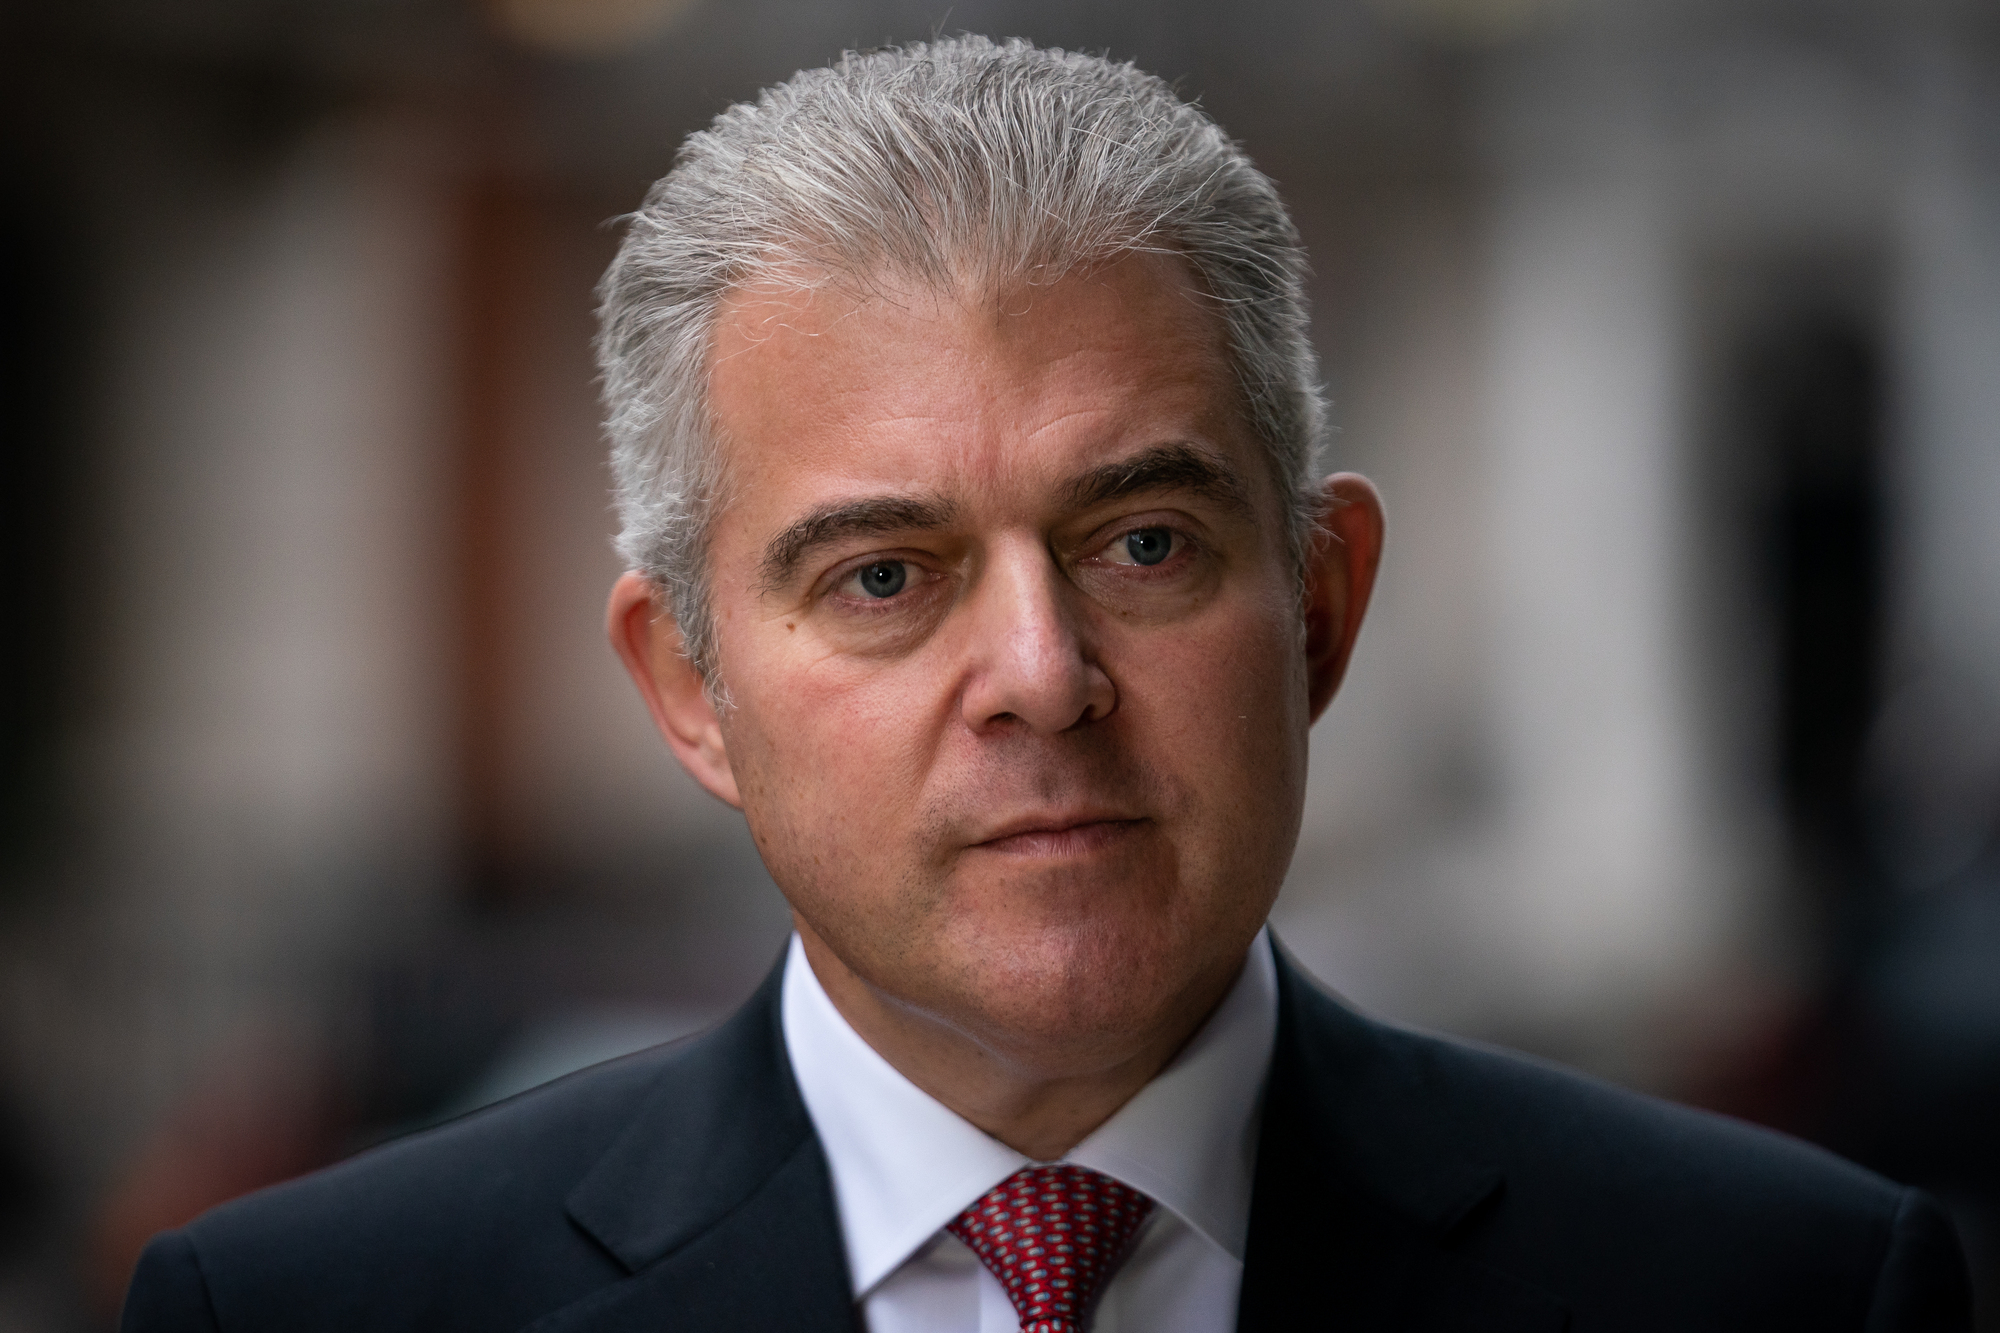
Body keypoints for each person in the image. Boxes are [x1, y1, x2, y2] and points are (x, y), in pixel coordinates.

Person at [122, 35, 1970, 1333]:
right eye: (884, 576)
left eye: (1144, 542)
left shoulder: (1790, 1293)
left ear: (1321, 608)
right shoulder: (300, 1312)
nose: (1041, 674)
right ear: (688, 686)